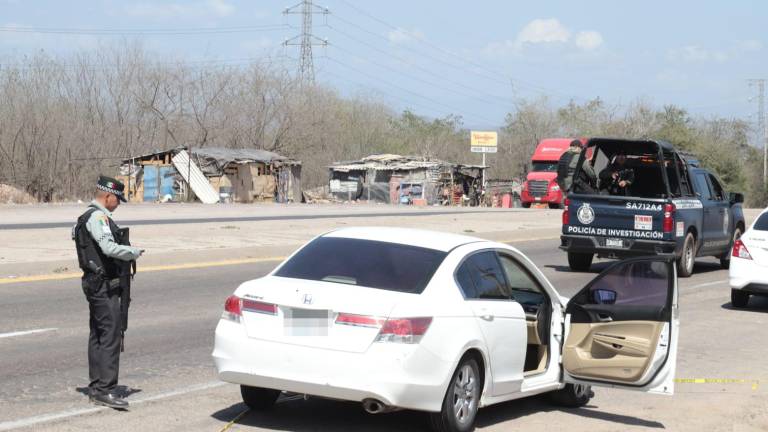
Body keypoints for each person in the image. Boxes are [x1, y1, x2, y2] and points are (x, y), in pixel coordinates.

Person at [72, 176, 143, 409]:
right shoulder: (98, 218)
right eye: (117, 199)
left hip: (94, 282)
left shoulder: (86, 217)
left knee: (98, 334)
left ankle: (96, 386)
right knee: (111, 334)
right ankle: (106, 389)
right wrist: (132, 252)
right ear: (108, 196)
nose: (118, 203)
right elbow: (108, 247)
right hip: (102, 284)